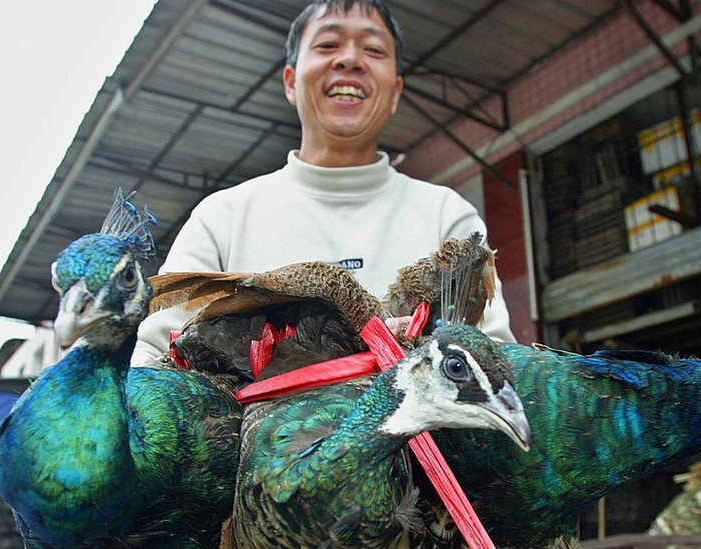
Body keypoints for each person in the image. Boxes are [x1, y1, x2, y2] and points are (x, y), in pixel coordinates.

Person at [132, 0, 514, 364]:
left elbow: (494, 361)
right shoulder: (222, 218)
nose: (349, 59)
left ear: (396, 92)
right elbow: (153, 364)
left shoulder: (446, 215)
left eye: (374, 50)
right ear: (290, 82)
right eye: (328, 44)